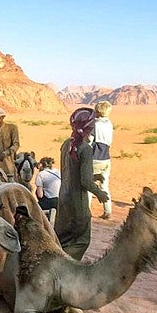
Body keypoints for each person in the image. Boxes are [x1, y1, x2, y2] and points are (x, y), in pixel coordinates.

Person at [54, 107, 109, 261]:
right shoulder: (85, 149)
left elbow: (71, 172)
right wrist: (99, 193)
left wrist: (92, 175)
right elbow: (84, 181)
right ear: (90, 127)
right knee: (80, 241)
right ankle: (66, 268)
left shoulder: (66, 145)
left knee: (62, 240)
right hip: (77, 204)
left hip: (63, 201)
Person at [89, 100, 114, 220]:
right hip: (106, 158)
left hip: (95, 158)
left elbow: (89, 140)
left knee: (89, 185)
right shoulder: (109, 124)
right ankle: (107, 211)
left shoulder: (94, 124)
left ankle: (86, 211)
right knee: (104, 186)